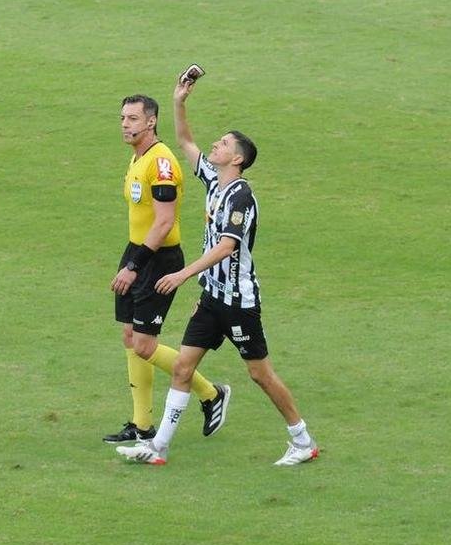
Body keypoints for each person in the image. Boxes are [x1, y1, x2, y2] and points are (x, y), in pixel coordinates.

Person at [117, 79, 319, 466]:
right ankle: (158, 448)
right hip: (212, 299)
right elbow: (184, 141)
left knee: (260, 374)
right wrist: (179, 101)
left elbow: (227, 246)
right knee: (182, 368)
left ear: (237, 158)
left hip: (239, 303)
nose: (216, 145)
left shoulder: (242, 198)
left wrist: (182, 275)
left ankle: (302, 440)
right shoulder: (213, 179)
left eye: (224, 144)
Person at [104, 94, 231, 444]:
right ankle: (141, 424)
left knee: (144, 345)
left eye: (133, 119)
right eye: (122, 118)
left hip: (157, 259)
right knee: (130, 336)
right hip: (138, 250)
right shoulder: (138, 157)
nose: (125, 124)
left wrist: (133, 267)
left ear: (151, 122)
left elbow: (163, 223)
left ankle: (211, 393)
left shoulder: (161, 163)